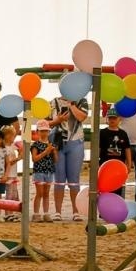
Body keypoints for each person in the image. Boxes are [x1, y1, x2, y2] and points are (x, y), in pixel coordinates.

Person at [47, 89, 88, 221]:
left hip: (76, 142)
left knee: (74, 179)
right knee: (58, 179)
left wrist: (71, 105)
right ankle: (58, 211)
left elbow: (81, 117)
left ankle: (76, 211)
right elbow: (44, 123)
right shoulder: (53, 102)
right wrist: (57, 120)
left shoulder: (81, 100)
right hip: (58, 143)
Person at [97, 110, 131, 200]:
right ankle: (104, 208)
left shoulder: (123, 133)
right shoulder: (102, 132)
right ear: (107, 119)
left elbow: (127, 149)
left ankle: (118, 204)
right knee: (105, 186)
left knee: (119, 187)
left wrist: (129, 163)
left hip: (119, 165)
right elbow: (99, 148)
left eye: (114, 118)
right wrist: (96, 161)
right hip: (105, 164)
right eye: (110, 118)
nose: (112, 120)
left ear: (119, 119)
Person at [29, 122, 57, 222]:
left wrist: (53, 151)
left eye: (46, 131)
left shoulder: (51, 144)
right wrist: (46, 151)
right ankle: (36, 214)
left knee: (46, 193)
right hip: (39, 171)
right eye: (42, 131)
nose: (44, 133)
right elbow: (34, 159)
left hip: (49, 171)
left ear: (49, 132)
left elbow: (55, 160)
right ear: (37, 132)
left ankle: (46, 213)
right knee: (39, 193)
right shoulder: (35, 145)